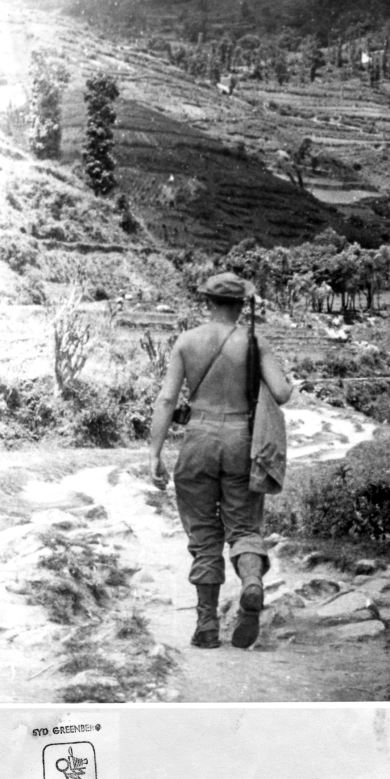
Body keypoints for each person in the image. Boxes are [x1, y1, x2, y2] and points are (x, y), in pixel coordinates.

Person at [149, 272, 293, 650]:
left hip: (197, 438)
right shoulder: (254, 341)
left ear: (207, 302)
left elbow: (166, 401)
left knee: (203, 534)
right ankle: (251, 584)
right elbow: (280, 393)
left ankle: (207, 626)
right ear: (243, 305)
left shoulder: (187, 341)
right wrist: (287, 381)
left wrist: (154, 453)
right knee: (244, 527)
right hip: (242, 443)